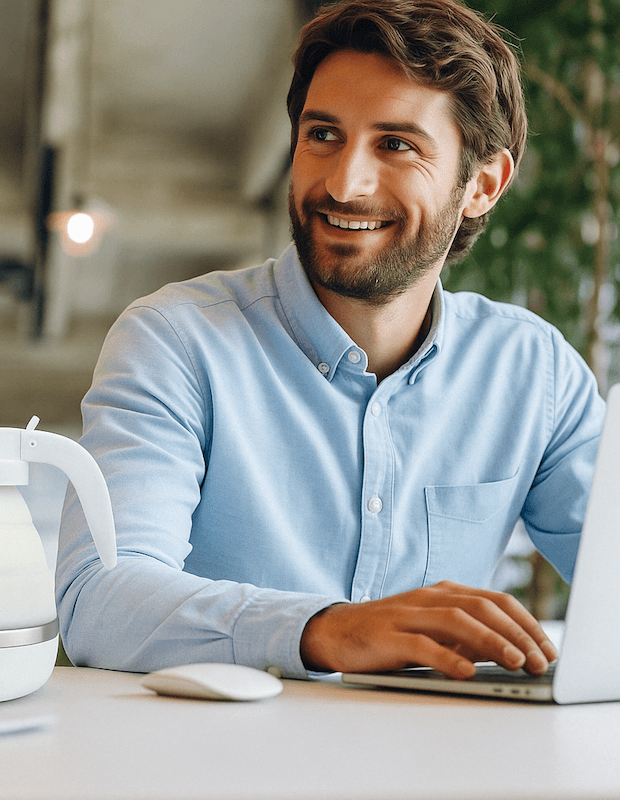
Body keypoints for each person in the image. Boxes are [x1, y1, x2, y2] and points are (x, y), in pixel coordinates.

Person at [56, 0, 605, 680]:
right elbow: (99, 603)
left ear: (482, 185)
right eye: (323, 136)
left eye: (396, 144)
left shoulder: (534, 371)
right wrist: (326, 631)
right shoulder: (176, 341)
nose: (345, 183)